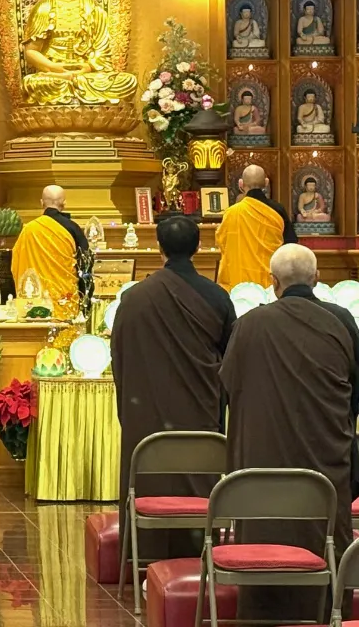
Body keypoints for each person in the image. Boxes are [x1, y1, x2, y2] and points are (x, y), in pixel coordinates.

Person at [221, 244, 359, 623]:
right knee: (326, 528)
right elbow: (354, 393)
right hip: (326, 461)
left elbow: (230, 387)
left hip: (262, 468)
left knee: (265, 533)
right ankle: (328, 614)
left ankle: (264, 612)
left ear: (272, 282)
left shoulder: (250, 324)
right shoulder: (341, 321)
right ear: (317, 279)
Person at [111, 215, 235, 561]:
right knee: (199, 468)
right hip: (200, 414)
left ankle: (143, 555)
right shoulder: (217, 297)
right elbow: (231, 360)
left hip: (146, 417)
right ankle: (200, 552)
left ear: (158, 247)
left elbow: (119, 357)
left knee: (150, 470)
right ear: (197, 248)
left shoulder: (135, 299)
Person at [10, 185, 88, 318]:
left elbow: (16, 265)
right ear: (64, 203)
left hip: (33, 300)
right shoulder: (73, 229)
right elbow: (85, 266)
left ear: (41, 203)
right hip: (65, 300)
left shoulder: (29, 230)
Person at [216, 164, 296, 290]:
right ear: (266, 182)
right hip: (271, 283)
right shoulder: (277, 210)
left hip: (239, 285)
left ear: (241, 184)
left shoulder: (233, 212)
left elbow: (221, 242)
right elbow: (291, 244)